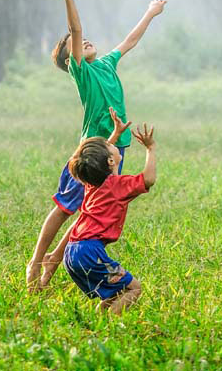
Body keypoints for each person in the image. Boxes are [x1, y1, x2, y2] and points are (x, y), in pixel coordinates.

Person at [25, 0, 165, 291]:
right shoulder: (82, 72)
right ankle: (36, 263)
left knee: (90, 212)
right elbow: (75, 30)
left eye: (86, 40)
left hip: (117, 147)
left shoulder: (105, 64)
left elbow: (130, 40)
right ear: (68, 60)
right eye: (75, 44)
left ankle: (50, 270)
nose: (84, 40)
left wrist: (150, 13)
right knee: (64, 208)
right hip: (92, 151)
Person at [64, 108, 156, 314]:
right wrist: (150, 149)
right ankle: (108, 326)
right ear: (110, 161)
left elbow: (102, 157)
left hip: (72, 252)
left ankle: (99, 318)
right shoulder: (118, 186)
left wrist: (114, 134)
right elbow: (148, 179)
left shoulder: (92, 182)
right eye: (109, 145)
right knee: (134, 288)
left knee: (116, 290)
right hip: (90, 253)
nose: (112, 143)